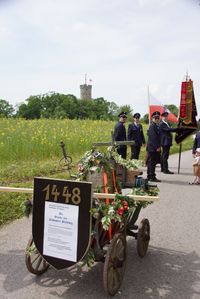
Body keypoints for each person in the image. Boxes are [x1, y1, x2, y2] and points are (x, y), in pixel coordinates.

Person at [146, 111, 162, 182]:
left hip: (153, 148)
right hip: (153, 148)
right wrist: (157, 147)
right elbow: (153, 138)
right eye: (155, 118)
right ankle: (151, 176)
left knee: (152, 162)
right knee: (152, 162)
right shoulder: (152, 126)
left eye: (158, 118)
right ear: (153, 118)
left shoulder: (156, 126)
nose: (157, 119)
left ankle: (150, 176)